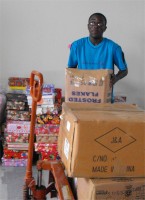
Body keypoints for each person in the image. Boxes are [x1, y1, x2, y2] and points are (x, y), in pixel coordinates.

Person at [68, 13, 128, 89]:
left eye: (100, 24)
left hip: (104, 95)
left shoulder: (114, 47)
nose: (95, 26)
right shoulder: (77, 46)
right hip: (82, 94)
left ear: (105, 28)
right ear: (88, 26)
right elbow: (70, 70)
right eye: (92, 23)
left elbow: (124, 70)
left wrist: (115, 78)